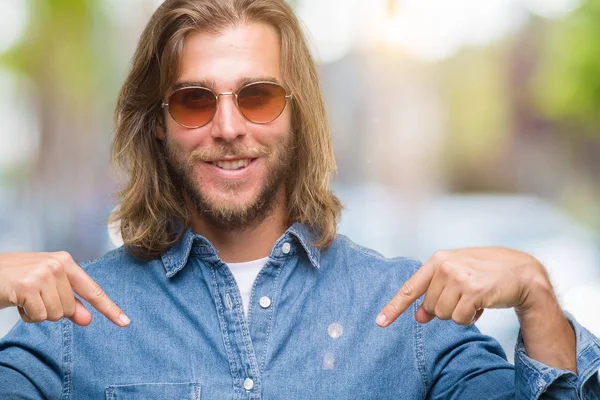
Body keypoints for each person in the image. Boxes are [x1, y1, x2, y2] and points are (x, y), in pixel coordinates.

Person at [0, 0, 599, 398]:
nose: (229, 127)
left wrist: (539, 299)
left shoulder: (412, 317)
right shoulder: (69, 327)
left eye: (258, 96)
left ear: (298, 113)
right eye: (194, 100)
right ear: (158, 123)